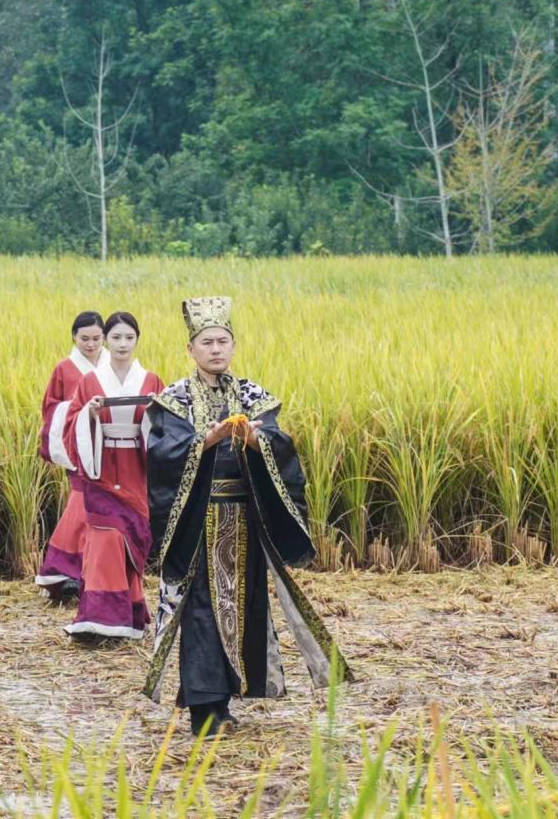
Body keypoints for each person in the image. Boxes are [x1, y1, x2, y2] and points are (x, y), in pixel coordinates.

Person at [143, 296, 351, 735]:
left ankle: (226, 702)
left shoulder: (253, 395)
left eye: (223, 341)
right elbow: (162, 454)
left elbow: (281, 446)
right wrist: (207, 440)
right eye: (206, 342)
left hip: (245, 522)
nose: (216, 349)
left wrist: (257, 442)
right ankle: (205, 711)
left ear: (233, 346)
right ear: (190, 349)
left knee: (244, 608)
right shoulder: (175, 400)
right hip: (199, 523)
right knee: (202, 611)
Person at [61, 312, 163, 640]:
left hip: (136, 469)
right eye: (116, 337)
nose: (122, 344)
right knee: (104, 538)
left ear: (137, 340)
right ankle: (97, 617)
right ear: (106, 340)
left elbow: (167, 427)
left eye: (129, 337)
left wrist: (155, 411)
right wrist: (88, 414)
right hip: (101, 468)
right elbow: (71, 422)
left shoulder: (151, 381)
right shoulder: (90, 381)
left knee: (128, 539)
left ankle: (127, 616)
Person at [34, 311, 108, 601]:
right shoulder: (64, 369)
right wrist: (77, 411)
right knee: (80, 503)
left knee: (102, 511)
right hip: (77, 445)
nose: (90, 344)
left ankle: (90, 573)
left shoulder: (112, 366)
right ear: (74, 337)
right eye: (84, 338)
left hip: (110, 448)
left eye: (96, 338)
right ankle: (62, 570)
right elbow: (51, 407)